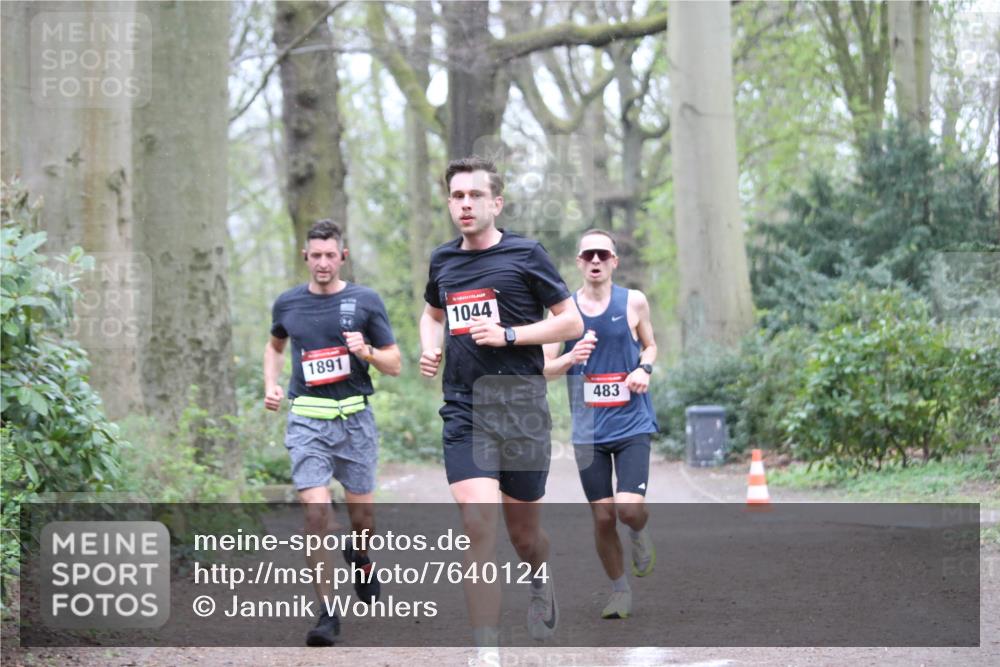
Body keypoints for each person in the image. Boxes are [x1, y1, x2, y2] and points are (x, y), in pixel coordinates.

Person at [419, 156, 583, 649]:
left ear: (496, 202)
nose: (465, 205)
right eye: (457, 196)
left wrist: (510, 333)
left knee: (524, 536)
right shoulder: (443, 261)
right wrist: (431, 344)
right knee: (477, 524)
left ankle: (539, 577)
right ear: (449, 203)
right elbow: (431, 314)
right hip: (466, 408)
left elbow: (571, 323)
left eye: (474, 196)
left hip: (521, 407)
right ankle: (486, 648)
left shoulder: (527, 255)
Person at [264, 219, 401, 646]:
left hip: (355, 420)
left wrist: (368, 353)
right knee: (316, 514)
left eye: (330, 255)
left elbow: (395, 363)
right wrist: (271, 382)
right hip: (307, 419)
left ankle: (360, 556)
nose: (323, 263)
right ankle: (327, 613)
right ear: (305, 257)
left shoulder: (365, 301)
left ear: (342, 256)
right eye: (315, 255)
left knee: (363, 519)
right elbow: (274, 345)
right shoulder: (288, 304)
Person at [543, 229, 659, 621]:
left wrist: (644, 368)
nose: (595, 261)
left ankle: (640, 534)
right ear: (578, 262)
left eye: (602, 255)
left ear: (613, 261)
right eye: (588, 255)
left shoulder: (634, 301)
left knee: (628, 510)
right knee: (603, 516)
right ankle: (619, 591)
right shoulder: (562, 313)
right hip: (588, 432)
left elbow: (651, 345)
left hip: (632, 423)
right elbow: (544, 369)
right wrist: (571, 357)